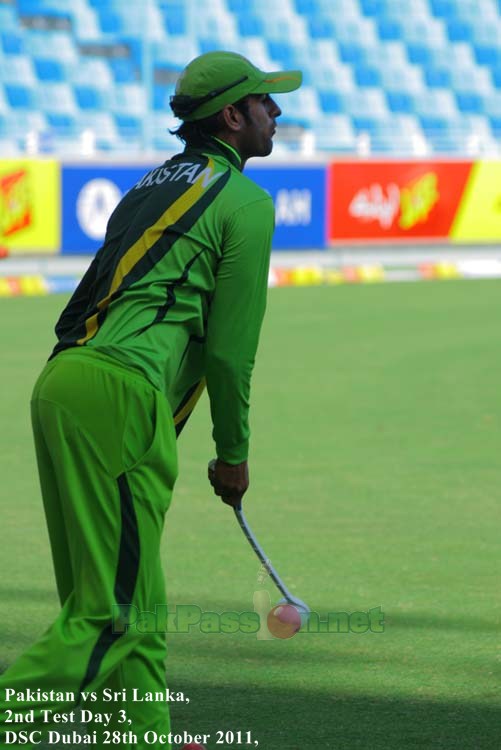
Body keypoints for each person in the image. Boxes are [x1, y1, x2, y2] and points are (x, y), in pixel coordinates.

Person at [0, 51, 302, 750]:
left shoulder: (150, 184)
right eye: (264, 102)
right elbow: (229, 352)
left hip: (68, 382)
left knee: (137, 606)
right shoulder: (244, 203)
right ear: (232, 116)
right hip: (121, 397)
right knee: (108, 613)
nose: (276, 114)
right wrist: (233, 456)